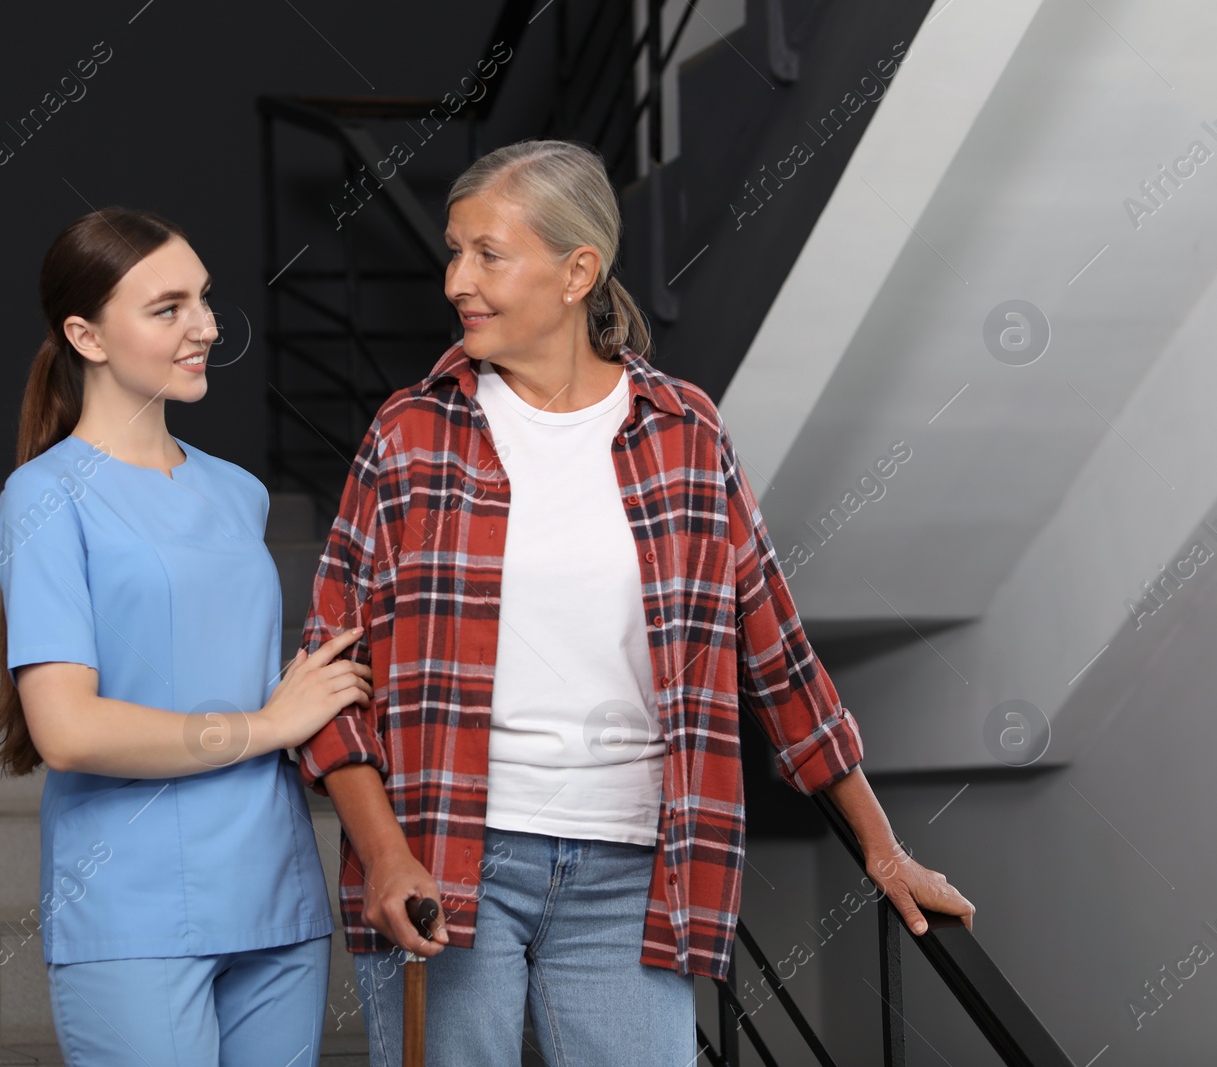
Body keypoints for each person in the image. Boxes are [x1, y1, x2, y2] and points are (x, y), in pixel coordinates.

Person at [295, 140, 976, 1066]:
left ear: (580, 271)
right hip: (447, 856)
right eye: (454, 252)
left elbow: (776, 652)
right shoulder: (412, 432)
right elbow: (330, 676)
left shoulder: (684, 430)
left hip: (634, 870)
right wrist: (384, 855)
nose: (458, 279)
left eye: (488, 254)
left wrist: (882, 844)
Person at [0, 206, 373, 1066]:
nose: (204, 327)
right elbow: (68, 728)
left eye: (203, 299)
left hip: (275, 890)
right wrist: (270, 725)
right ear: (86, 334)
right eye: (168, 309)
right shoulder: (44, 499)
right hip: (132, 900)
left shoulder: (239, 493)